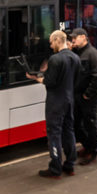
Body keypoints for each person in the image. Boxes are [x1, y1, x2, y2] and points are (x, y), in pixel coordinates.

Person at [27, 30, 80, 178]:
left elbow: (50, 82)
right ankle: (70, 165)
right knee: (69, 131)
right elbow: (75, 80)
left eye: (51, 42)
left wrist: (36, 78)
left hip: (55, 102)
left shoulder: (55, 59)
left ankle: (55, 168)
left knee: (54, 133)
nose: (50, 46)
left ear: (57, 40)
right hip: (69, 99)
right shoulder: (75, 58)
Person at [70, 28, 97, 165]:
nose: (73, 40)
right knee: (76, 124)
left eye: (75, 38)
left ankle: (93, 152)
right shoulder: (77, 52)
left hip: (88, 97)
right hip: (77, 95)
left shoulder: (92, 53)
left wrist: (87, 94)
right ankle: (87, 146)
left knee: (90, 124)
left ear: (83, 37)